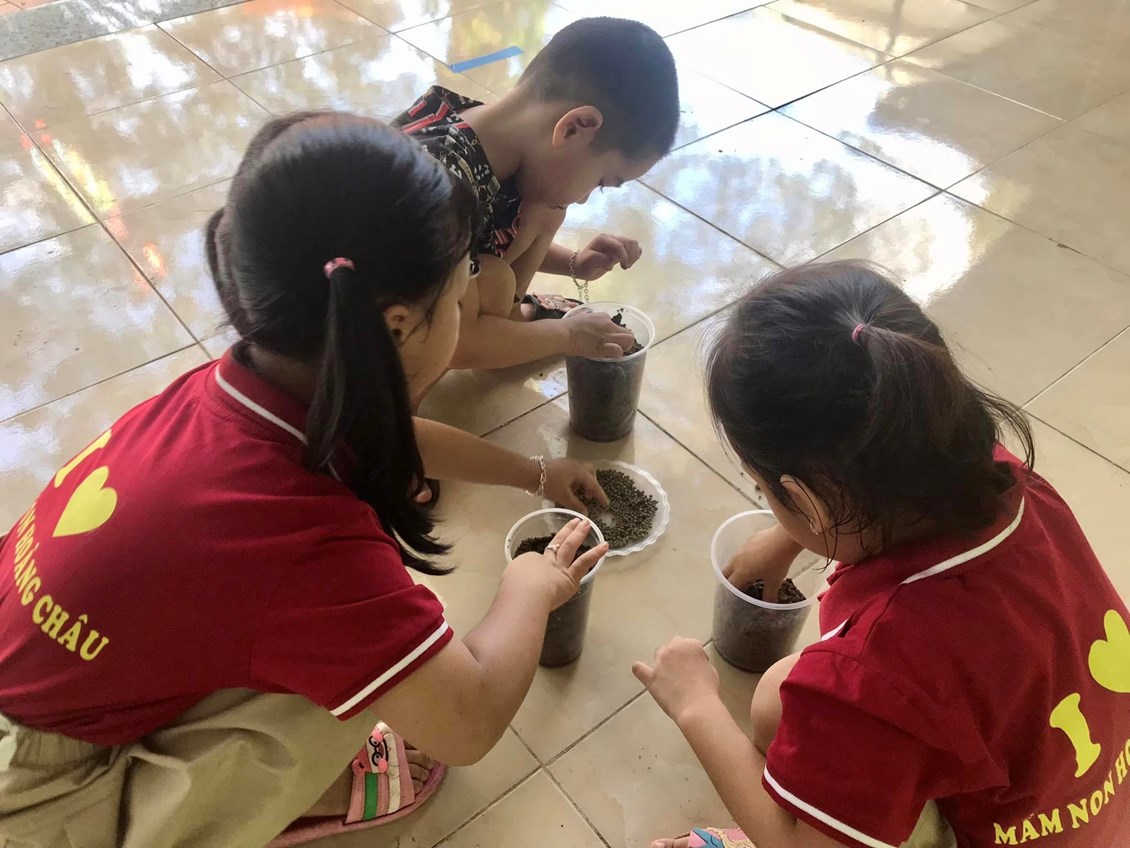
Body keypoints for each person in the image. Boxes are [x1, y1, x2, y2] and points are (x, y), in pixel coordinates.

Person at [0, 113, 609, 848]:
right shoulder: (297, 541)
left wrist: (533, 473)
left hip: (43, 672)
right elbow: (468, 720)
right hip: (31, 787)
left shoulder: (246, 383)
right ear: (395, 326)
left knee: (347, 640)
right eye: (455, 300)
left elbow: (390, 439)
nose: (462, 315)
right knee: (367, 671)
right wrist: (530, 587)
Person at [635, 262, 1130, 848]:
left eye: (763, 490)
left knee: (805, 717)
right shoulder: (1004, 478)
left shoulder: (872, 675)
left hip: (1014, 830)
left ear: (806, 500)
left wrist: (695, 705)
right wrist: (789, 534)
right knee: (779, 699)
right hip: (1093, 797)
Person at [393, 16, 680, 373]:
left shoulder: (476, 129)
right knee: (497, 278)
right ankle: (511, 328)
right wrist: (568, 336)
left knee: (545, 209)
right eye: (601, 181)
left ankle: (513, 325)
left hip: (426, 292)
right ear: (574, 128)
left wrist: (575, 262)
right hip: (360, 353)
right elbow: (458, 346)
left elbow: (485, 238)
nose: (585, 198)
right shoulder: (439, 187)